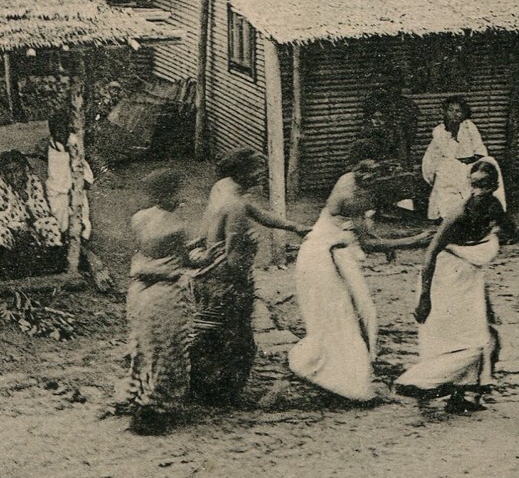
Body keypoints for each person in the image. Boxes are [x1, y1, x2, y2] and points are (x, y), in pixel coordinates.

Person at [289, 161, 432, 402]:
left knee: (347, 314)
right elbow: (368, 243)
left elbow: (360, 233)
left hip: (320, 252)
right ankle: (348, 378)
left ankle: (337, 365)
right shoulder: (358, 199)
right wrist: (414, 240)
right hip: (325, 260)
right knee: (350, 315)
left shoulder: (349, 179)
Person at [396, 160, 519, 412]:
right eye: (474, 185)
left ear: (495, 185)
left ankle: (463, 396)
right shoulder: (460, 212)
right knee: (464, 340)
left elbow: (514, 231)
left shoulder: (494, 207)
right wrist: (424, 297)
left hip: (469, 277)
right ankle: (420, 380)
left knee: (483, 334)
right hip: (446, 276)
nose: (479, 191)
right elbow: (431, 254)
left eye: (485, 185)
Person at [190, 149, 309, 406]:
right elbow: (234, 255)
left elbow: (255, 212)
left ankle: (205, 388)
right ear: (241, 172)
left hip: (211, 274)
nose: (261, 176)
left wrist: (292, 226)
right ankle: (224, 394)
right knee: (235, 338)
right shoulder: (235, 205)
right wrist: (249, 251)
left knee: (211, 333)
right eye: (257, 171)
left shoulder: (226, 189)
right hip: (226, 278)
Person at [120, 169, 205, 435]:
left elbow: (148, 251)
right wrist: (208, 253)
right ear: (170, 193)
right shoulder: (176, 226)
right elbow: (186, 260)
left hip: (138, 291)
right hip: (164, 294)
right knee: (168, 352)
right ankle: (156, 409)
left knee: (144, 348)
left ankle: (137, 397)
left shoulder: (140, 218)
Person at [421, 97, 507, 221]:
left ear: (463, 113)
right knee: (451, 168)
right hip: (441, 163)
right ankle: (450, 213)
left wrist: (475, 159)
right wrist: (453, 134)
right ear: (444, 112)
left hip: (469, 161)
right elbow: (449, 153)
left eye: (458, 111)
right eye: (450, 110)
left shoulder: (469, 126)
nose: (454, 114)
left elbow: (479, 147)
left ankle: (494, 210)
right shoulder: (439, 131)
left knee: (491, 162)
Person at [0, 149, 64, 276]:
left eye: (16, 170)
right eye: (8, 172)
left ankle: (50, 262)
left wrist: (26, 197)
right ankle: (1, 267)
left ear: (24, 169)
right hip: (10, 225)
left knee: (50, 223)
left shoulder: (33, 181)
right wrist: (18, 226)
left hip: (32, 223)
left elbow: (42, 210)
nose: (13, 175)